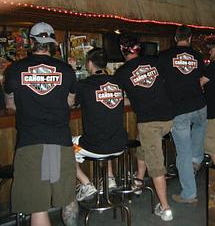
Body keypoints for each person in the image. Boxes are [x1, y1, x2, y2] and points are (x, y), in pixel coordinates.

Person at [3, 22, 77, 226]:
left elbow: (11, 104)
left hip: (30, 140)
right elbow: (70, 102)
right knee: (68, 197)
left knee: (38, 206)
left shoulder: (14, 69)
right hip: (61, 139)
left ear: (31, 41)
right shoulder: (67, 70)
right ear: (53, 43)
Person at [115, 34, 174, 221]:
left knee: (156, 165)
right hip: (169, 117)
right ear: (139, 49)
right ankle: (139, 182)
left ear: (123, 51)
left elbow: (115, 98)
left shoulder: (122, 73)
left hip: (150, 122)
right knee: (143, 145)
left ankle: (165, 209)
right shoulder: (154, 62)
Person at [158, 25, 207, 204]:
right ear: (190, 38)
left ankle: (189, 194)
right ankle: (197, 159)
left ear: (175, 37)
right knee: (200, 129)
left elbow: (158, 81)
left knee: (183, 153)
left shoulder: (164, 56)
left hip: (179, 110)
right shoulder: (198, 56)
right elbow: (201, 79)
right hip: (200, 106)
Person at [73, 48, 127, 201]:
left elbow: (71, 103)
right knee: (106, 130)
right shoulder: (117, 82)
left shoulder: (84, 85)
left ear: (90, 64)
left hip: (95, 147)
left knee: (65, 147)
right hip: (119, 144)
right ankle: (109, 179)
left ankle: (86, 184)